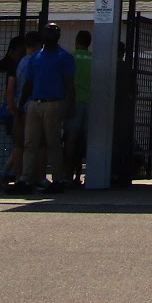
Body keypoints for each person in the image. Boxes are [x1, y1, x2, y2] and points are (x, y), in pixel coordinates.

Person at [17, 22, 75, 194]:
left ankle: (57, 179)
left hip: (54, 102)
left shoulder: (64, 57)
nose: (50, 35)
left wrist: (71, 104)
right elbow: (29, 82)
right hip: (34, 102)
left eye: (53, 32)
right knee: (30, 142)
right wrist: (22, 103)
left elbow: (69, 82)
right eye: (48, 31)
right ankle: (25, 180)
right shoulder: (36, 57)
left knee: (53, 142)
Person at [0, 35, 29, 188]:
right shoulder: (20, 65)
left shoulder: (15, 66)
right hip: (16, 109)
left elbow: (6, 92)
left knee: (18, 143)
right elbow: (8, 91)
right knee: (22, 143)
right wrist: (13, 106)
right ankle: (7, 171)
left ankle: (6, 171)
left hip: (11, 108)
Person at [65, 29, 92, 186]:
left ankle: (67, 175)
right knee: (85, 141)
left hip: (73, 101)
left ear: (76, 41)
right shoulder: (93, 59)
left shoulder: (71, 57)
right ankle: (80, 175)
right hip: (89, 102)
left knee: (70, 139)